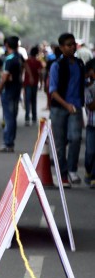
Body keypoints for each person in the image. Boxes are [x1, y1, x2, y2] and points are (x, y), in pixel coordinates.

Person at [47, 32, 85, 187]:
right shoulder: (57, 65)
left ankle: (72, 170)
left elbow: (83, 84)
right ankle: (62, 174)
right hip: (59, 108)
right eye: (68, 45)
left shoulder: (80, 64)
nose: (72, 47)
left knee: (76, 138)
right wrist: (66, 105)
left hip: (76, 107)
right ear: (62, 47)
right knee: (59, 143)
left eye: (73, 44)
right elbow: (53, 91)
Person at [0, 36, 22, 153]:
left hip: (9, 91)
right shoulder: (19, 57)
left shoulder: (9, 59)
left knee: (8, 118)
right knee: (12, 117)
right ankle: (10, 142)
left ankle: (7, 143)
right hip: (16, 90)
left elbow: (4, 78)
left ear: (7, 45)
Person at [24, 46, 42, 126]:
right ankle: (34, 117)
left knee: (27, 101)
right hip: (35, 83)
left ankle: (27, 118)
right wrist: (41, 82)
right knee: (34, 100)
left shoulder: (27, 61)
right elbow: (40, 73)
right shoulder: (38, 62)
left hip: (27, 83)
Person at [84, 59, 95, 188]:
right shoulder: (89, 87)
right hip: (92, 124)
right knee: (90, 152)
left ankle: (93, 175)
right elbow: (90, 106)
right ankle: (88, 169)